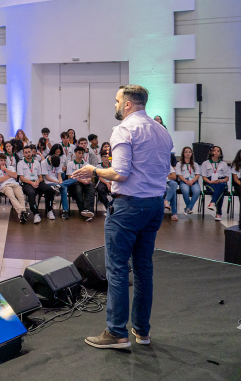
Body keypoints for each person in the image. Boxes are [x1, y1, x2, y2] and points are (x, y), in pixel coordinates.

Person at [74, 85, 172, 350]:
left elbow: (120, 173)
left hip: (129, 207)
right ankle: (142, 331)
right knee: (143, 269)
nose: (115, 105)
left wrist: (94, 170)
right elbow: (163, 169)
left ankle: (117, 333)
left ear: (128, 104)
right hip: (154, 205)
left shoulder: (124, 129)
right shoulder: (162, 131)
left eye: (117, 100)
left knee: (117, 270)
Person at [0, 154, 29, 223]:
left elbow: (15, 175)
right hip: (5, 186)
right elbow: (0, 180)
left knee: (21, 196)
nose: (3, 162)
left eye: (4, 160)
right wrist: (10, 175)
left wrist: (5, 170)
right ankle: (22, 212)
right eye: (1, 160)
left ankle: (22, 215)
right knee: (11, 196)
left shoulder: (10, 167)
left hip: (15, 184)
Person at [200, 145, 230, 221]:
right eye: (214, 150)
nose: (216, 152)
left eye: (218, 151)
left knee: (221, 186)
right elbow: (204, 177)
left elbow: (227, 178)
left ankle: (213, 202)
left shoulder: (223, 164)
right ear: (211, 152)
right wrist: (210, 181)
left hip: (221, 181)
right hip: (210, 181)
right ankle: (218, 213)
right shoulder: (205, 163)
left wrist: (221, 180)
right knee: (220, 191)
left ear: (220, 153)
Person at [175, 146, 201, 215]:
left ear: (192, 154)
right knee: (185, 190)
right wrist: (186, 181)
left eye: (189, 152)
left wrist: (192, 181)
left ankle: (188, 208)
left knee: (197, 191)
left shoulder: (195, 164)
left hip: (193, 181)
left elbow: (197, 175)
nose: (188, 153)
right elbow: (179, 175)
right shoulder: (179, 164)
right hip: (184, 181)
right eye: (186, 152)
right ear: (183, 153)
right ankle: (189, 208)